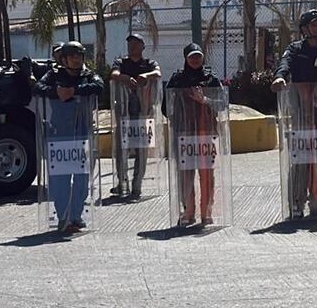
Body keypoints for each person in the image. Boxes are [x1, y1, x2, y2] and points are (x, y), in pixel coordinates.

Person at [271, 9, 317, 219]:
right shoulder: (295, 49)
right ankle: (296, 202)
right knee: (301, 156)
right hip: (302, 112)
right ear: (304, 29)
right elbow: (284, 64)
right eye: (312, 25)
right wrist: (279, 77)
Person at [34, 41, 104, 234]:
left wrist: (75, 91)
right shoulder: (54, 75)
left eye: (79, 55)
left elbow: (99, 86)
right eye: (72, 55)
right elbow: (38, 88)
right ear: (64, 59)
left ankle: (76, 216)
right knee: (60, 179)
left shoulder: (88, 75)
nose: (76, 59)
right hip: (59, 134)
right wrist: (56, 92)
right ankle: (63, 216)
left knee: (81, 178)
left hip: (82, 133)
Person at [166, 43, 222, 228]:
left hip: (206, 133)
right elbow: (166, 108)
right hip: (184, 134)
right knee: (185, 175)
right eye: (192, 56)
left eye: (198, 56)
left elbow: (222, 104)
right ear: (185, 58)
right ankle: (188, 213)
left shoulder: (211, 80)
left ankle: (206, 213)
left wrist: (204, 100)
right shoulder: (177, 80)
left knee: (207, 175)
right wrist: (181, 114)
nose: (195, 59)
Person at [108, 33, 162, 199]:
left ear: (142, 46)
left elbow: (158, 73)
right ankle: (121, 183)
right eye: (130, 43)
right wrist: (124, 78)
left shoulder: (149, 63)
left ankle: (136, 185)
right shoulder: (121, 62)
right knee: (121, 149)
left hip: (143, 114)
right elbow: (114, 74)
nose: (132, 46)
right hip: (124, 114)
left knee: (141, 151)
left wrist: (146, 76)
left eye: (136, 43)